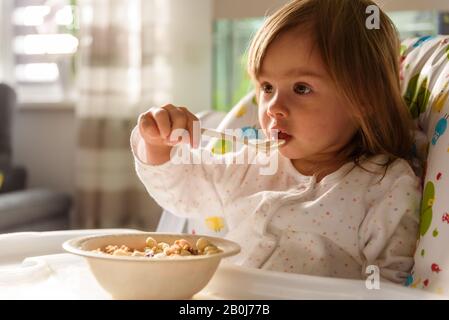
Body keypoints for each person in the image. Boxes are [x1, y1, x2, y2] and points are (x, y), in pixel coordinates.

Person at [130, 0, 421, 283]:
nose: (273, 107)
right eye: (267, 87)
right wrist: (158, 143)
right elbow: (185, 190)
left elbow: (389, 286)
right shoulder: (250, 163)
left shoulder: (386, 187)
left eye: (301, 88)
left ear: (364, 98)